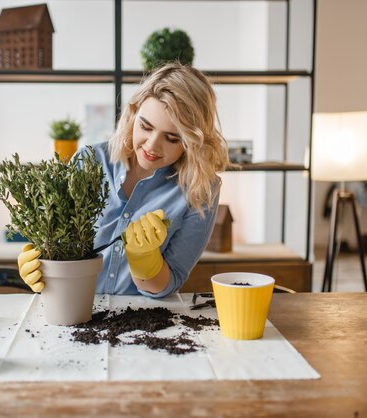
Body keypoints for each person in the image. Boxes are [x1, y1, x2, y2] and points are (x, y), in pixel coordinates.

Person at [18, 62, 230, 297]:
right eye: (145, 126)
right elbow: (58, 245)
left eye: (172, 138)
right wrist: (41, 265)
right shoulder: (90, 161)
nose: (151, 146)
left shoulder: (201, 190)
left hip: (141, 321)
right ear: (133, 112)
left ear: (193, 141)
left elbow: (173, 280)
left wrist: (146, 264)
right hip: (73, 305)